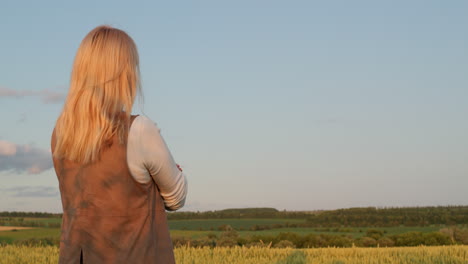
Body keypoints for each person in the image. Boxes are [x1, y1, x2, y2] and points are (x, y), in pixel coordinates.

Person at [50, 25, 187, 264]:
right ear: (122, 73)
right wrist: (175, 173)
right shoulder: (140, 130)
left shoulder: (61, 135)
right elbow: (176, 199)